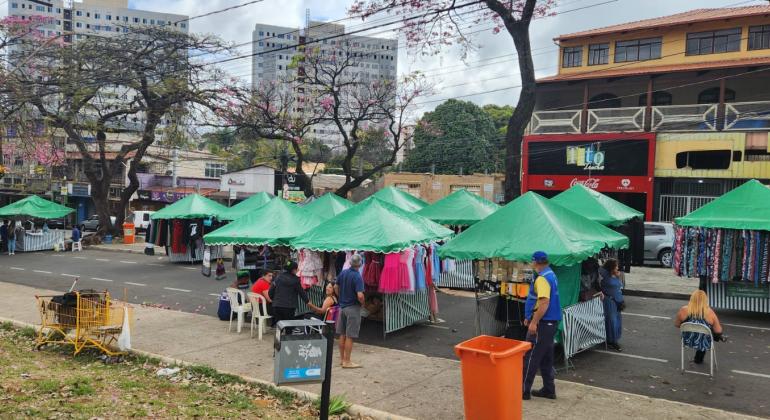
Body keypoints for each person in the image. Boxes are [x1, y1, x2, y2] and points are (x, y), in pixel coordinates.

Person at [522, 251, 561, 401]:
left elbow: (544, 303)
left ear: (536, 262)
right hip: (550, 323)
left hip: (543, 323)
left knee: (530, 357)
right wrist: (530, 316)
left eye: (532, 261)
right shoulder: (551, 274)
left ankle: (523, 390)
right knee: (546, 357)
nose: (531, 264)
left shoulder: (542, 279)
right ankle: (549, 390)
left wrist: (534, 322)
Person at [675, 290, 724, 364]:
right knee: (709, 333)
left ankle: (698, 357)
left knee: (702, 331)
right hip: (703, 342)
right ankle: (699, 358)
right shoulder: (710, 312)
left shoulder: (683, 310)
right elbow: (718, 330)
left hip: (687, 340)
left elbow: (677, 324)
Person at [335, 253, 365, 369]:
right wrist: (363, 303)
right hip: (353, 307)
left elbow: (336, 287)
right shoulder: (357, 277)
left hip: (342, 307)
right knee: (350, 335)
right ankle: (347, 361)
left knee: (342, 334)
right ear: (360, 264)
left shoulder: (343, 272)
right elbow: (360, 295)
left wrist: (340, 297)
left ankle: (342, 359)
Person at [600, 259, 625, 352]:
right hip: (610, 301)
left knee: (617, 320)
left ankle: (614, 339)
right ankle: (612, 341)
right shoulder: (605, 276)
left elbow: (620, 286)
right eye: (616, 266)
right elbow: (601, 269)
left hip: (618, 301)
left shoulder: (616, 275)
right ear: (611, 267)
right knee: (612, 321)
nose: (617, 267)